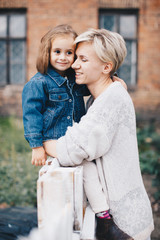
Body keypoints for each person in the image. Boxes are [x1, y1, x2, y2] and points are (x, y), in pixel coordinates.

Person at [43, 28, 154, 240]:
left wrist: (39, 143)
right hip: (123, 218)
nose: (74, 64)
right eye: (76, 58)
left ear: (106, 67)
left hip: (124, 226)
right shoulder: (106, 95)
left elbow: (72, 149)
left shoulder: (110, 99)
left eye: (83, 59)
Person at [22, 24, 126, 166]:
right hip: (53, 144)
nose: (63, 57)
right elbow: (31, 115)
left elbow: (94, 85)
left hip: (74, 141)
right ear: (48, 52)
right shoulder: (39, 83)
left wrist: (112, 80)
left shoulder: (74, 78)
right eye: (57, 52)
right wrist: (37, 146)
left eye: (69, 53)